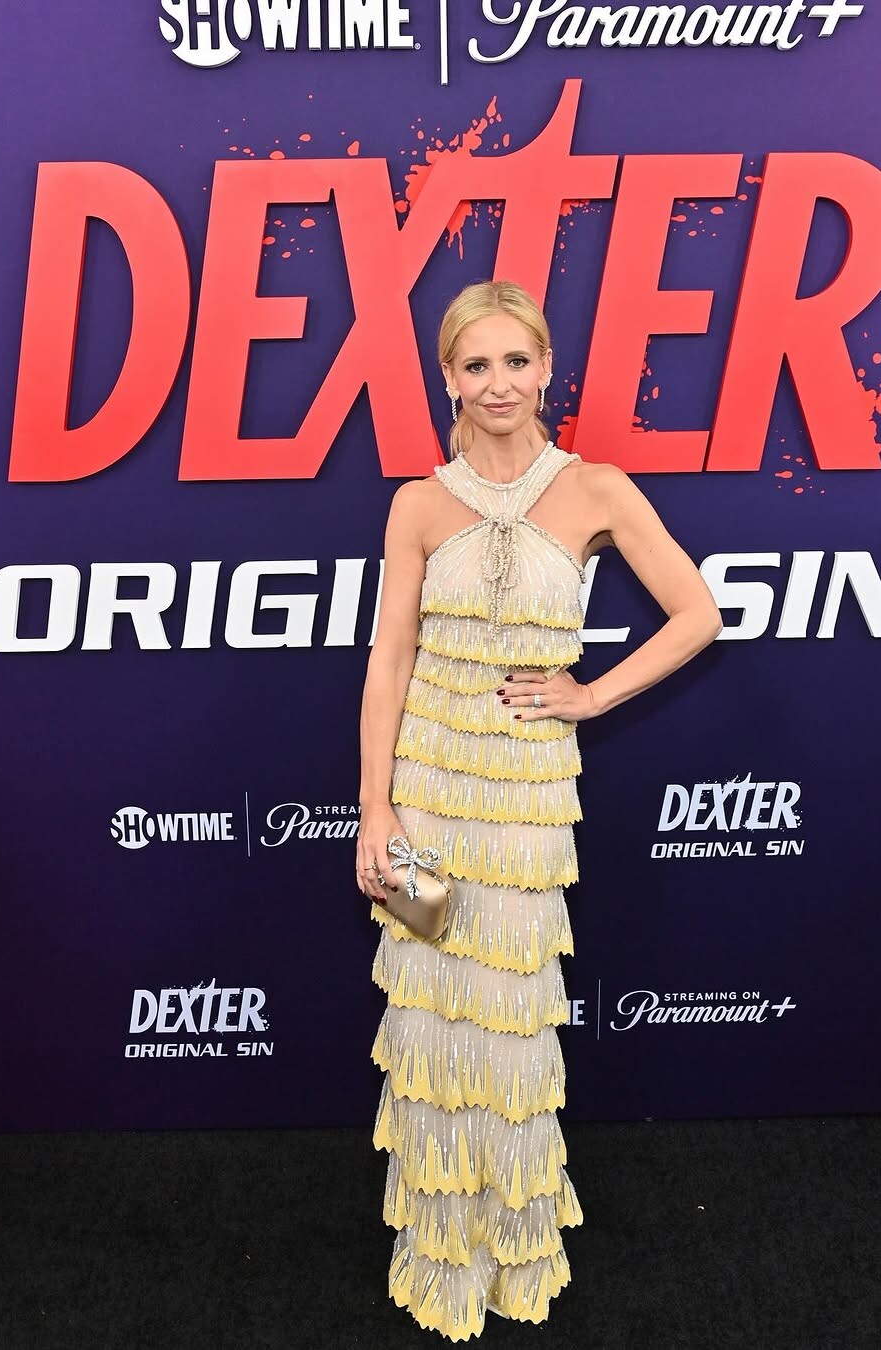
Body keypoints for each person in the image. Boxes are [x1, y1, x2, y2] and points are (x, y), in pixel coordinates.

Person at [357, 279, 722, 1340]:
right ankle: (443, 1253)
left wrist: (592, 695)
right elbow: (389, 661)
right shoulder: (418, 504)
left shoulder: (597, 489)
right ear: (448, 378)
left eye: (516, 361)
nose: (499, 383)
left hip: (526, 799)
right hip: (428, 791)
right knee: (430, 1016)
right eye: (477, 365)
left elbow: (697, 612)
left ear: (547, 368)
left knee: (513, 1024)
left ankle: (512, 1250)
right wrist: (375, 808)